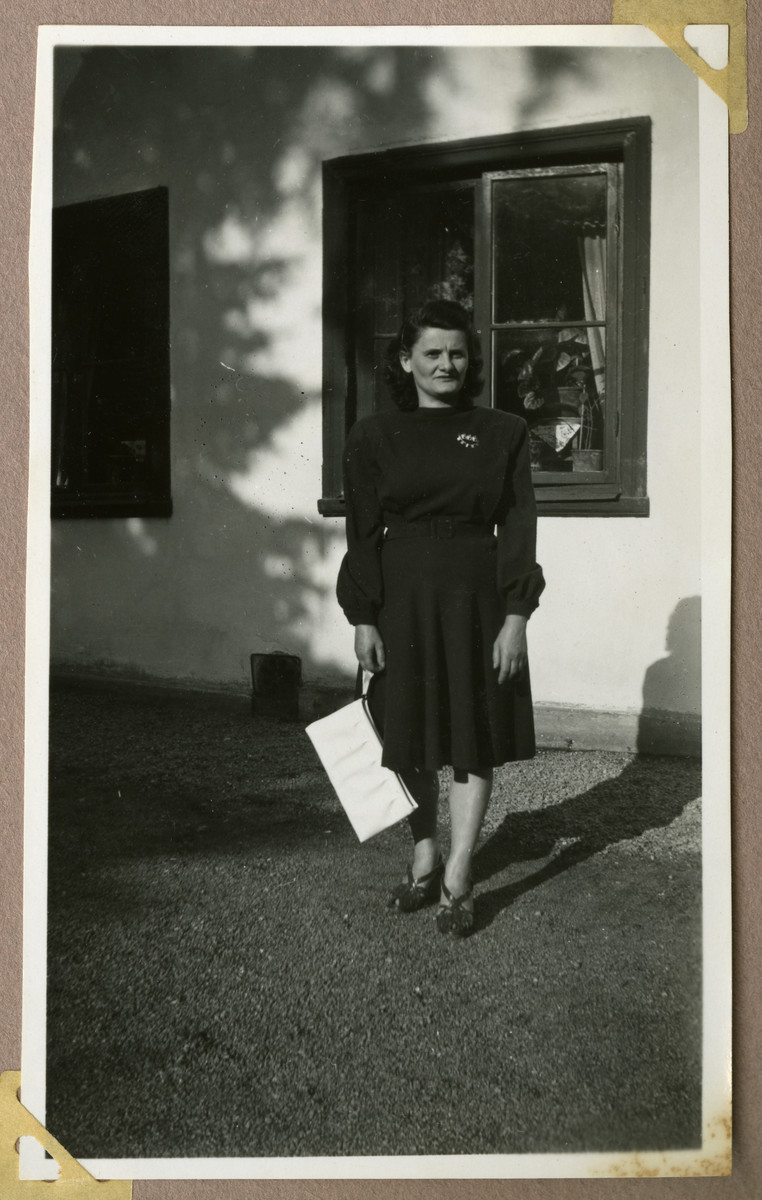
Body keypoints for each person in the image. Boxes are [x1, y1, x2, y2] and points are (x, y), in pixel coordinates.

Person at [337, 299, 545, 937]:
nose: (446, 364)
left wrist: (516, 616)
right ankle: (424, 849)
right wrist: (363, 616)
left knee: (471, 733)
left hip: (478, 601)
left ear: (470, 359)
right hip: (401, 602)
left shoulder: (503, 431)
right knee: (406, 731)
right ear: (407, 360)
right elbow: (363, 531)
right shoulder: (373, 436)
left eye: (456, 352)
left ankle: (459, 872)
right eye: (431, 352)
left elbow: (517, 527)